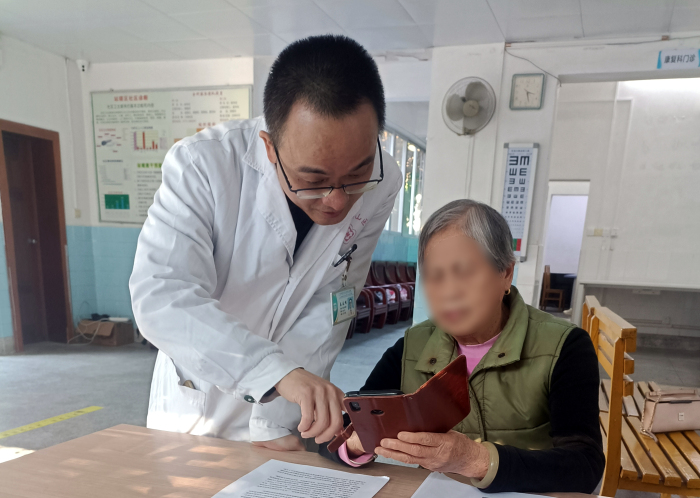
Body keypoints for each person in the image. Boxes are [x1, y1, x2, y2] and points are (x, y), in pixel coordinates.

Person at [129, 35, 402, 448]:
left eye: (356, 175)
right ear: (270, 148)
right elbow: (162, 296)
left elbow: (333, 301)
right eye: (313, 180)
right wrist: (273, 374)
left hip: (291, 410)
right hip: (200, 399)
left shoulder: (385, 181)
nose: (337, 201)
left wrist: (275, 418)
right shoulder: (202, 165)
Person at [316, 199, 604, 493]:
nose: (448, 292)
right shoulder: (411, 348)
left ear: (506, 273)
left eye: (464, 272)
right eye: (434, 276)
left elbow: (585, 466)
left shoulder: (564, 347)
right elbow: (337, 434)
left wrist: (475, 460)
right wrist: (357, 444)